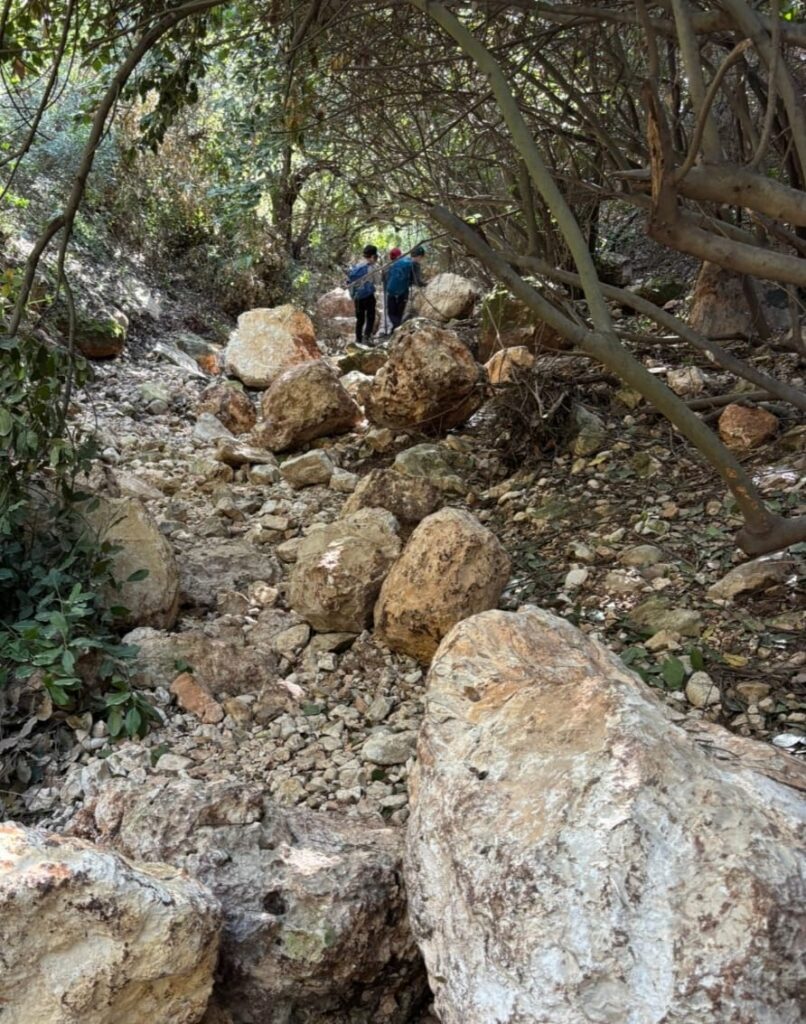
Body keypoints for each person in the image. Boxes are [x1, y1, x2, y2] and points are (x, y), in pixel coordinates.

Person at [384, 244, 425, 331]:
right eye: (422, 257)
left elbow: (386, 276)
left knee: (391, 312)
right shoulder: (415, 265)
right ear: (420, 256)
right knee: (399, 312)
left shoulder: (397, 261)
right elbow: (417, 281)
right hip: (403, 292)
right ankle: (397, 329)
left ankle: (395, 328)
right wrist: (426, 284)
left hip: (390, 291)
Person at [346, 244, 379, 344]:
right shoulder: (371, 267)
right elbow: (377, 281)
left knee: (360, 319)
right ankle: (367, 337)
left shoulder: (356, 265)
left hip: (357, 297)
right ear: (373, 256)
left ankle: (358, 340)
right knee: (370, 316)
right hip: (368, 296)